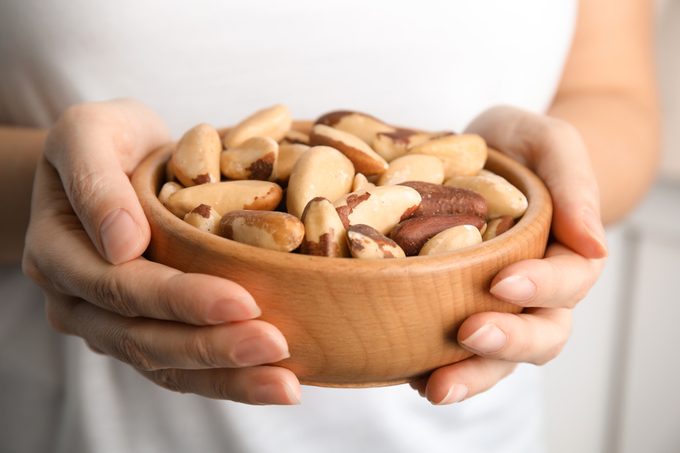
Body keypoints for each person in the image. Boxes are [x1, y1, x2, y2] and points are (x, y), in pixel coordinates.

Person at [0, 0, 659, 452]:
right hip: (76, 425)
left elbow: (613, 95)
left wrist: (553, 196)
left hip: (465, 429)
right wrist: (46, 191)